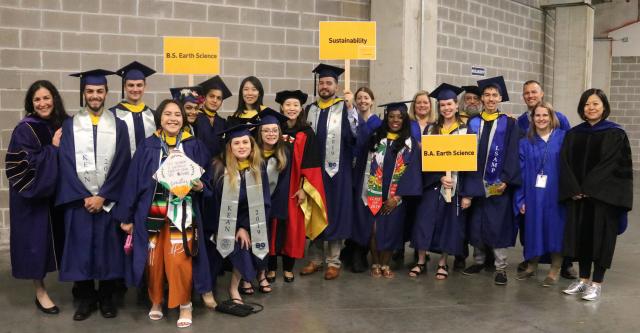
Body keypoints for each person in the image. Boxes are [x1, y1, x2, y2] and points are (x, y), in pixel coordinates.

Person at [114, 99, 212, 327]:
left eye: (177, 114)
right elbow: (133, 182)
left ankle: (184, 303)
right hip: (151, 211)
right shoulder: (148, 145)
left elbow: (207, 181)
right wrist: (126, 217)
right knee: (153, 261)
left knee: (180, 260)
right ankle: (156, 300)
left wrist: (201, 186)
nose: (173, 118)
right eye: (168, 114)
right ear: (160, 117)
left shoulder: (193, 145)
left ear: (183, 118)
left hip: (183, 213)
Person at [57, 69, 131, 320]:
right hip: (80, 202)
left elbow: (122, 163)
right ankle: (86, 298)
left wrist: (104, 196)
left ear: (107, 94)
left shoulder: (118, 125)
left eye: (100, 91)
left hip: (107, 202)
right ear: (83, 93)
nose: (95, 95)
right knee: (82, 249)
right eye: (90, 91)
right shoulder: (70, 125)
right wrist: (84, 196)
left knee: (109, 250)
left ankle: (107, 298)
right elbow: (65, 162)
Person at [560, 89, 633, 301]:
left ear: (604, 107)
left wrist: (588, 188)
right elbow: (565, 164)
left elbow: (612, 166)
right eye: (587, 104)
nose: (591, 108)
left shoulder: (615, 134)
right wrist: (573, 188)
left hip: (603, 199)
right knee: (582, 239)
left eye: (595, 104)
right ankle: (582, 280)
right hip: (578, 198)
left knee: (601, 241)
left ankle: (597, 283)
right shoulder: (574, 134)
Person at [5, 80, 69, 314]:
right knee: (36, 244)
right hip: (35, 199)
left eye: (46, 97)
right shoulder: (26, 129)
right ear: (31, 104)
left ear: (55, 98)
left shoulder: (64, 123)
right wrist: (51, 149)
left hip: (59, 196)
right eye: (37, 99)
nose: (43, 103)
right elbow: (20, 166)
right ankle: (40, 291)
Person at [299, 63, 363, 280]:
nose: (325, 86)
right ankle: (315, 260)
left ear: (336, 86)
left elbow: (356, 134)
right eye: (322, 83)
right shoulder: (310, 109)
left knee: (335, 213)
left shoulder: (344, 107)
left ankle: (333, 261)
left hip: (338, 171)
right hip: (315, 172)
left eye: (329, 83)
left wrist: (352, 107)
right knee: (315, 210)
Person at [461, 76, 521, 285]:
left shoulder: (509, 123)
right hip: (476, 182)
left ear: (500, 98)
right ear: (481, 99)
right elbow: (467, 155)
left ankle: (500, 267)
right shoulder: (473, 121)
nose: (491, 98)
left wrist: (505, 178)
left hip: (498, 184)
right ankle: (478, 260)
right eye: (487, 95)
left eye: (494, 95)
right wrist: (467, 187)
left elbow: (512, 153)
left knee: (497, 225)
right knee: (477, 223)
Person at [353, 101, 422, 278]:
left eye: (399, 117)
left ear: (405, 119)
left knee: (391, 230)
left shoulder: (410, 143)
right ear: (386, 117)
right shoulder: (376, 137)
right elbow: (362, 164)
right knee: (374, 229)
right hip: (372, 191)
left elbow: (412, 172)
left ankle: (386, 264)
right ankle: (375, 262)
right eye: (391, 116)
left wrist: (397, 197)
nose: (395, 120)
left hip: (395, 195)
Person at [410, 83, 471, 279]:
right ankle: (420, 261)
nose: (446, 108)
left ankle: (443, 263)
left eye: (449, 104)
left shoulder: (465, 130)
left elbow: (470, 164)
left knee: (448, 223)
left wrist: (466, 192)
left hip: (454, 186)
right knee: (423, 221)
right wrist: (439, 177)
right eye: (442, 105)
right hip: (432, 184)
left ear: (456, 105)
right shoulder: (430, 130)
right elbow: (424, 162)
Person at [516, 80, 575, 278]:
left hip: (556, 192)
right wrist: (520, 199)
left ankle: (555, 269)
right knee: (533, 229)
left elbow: (570, 167)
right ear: (532, 119)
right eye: (537, 116)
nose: (541, 118)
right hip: (534, 193)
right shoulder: (525, 142)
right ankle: (532, 265)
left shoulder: (564, 138)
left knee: (555, 230)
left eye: (545, 115)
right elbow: (521, 173)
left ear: (551, 117)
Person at [209, 124, 271, 304]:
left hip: (253, 220)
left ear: (252, 145)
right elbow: (217, 204)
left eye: (245, 142)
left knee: (251, 239)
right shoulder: (220, 168)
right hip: (224, 222)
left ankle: (243, 281)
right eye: (236, 143)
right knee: (240, 245)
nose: (242, 146)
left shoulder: (258, 168)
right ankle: (233, 287)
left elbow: (265, 200)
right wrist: (237, 228)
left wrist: (246, 227)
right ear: (229, 147)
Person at [272, 89, 328, 283]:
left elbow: (312, 163)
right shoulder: (273, 128)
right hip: (273, 187)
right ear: (281, 107)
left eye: (295, 105)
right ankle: (271, 268)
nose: (291, 108)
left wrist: (304, 188)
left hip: (294, 187)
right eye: (288, 105)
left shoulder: (306, 133)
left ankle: (288, 268)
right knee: (272, 226)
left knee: (292, 228)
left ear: (301, 108)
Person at [343, 86, 382, 273]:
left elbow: (361, 138)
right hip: (351, 171)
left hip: (369, 172)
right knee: (351, 210)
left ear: (372, 101)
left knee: (364, 212)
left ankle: (360, 250)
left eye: (366, 97)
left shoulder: (377, 123)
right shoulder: (351, 120)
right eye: (359, 98)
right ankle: (350, 249)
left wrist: (351, 111)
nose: (362, 101)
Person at [254, 108, 291, 291]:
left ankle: (262, 274)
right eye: (266, 130)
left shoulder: (284, 153)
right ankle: (246, 276)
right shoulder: (252, 151)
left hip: (272, 203)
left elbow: (284, 183)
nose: (271, 134)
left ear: (279, 132)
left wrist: (275, 205)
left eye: (274, 130)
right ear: (260, 133)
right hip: (252, 203)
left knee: (266, 239)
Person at [110, 61, 157, 156]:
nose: (135, 89)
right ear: (125, 87)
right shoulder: (112, 115)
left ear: (145, 87)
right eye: (131, 85)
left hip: (148, 168)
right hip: (124, 169)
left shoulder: (154, 115)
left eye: (139, 85)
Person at [195, 75, 231, 158]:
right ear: (204, 98)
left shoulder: (223, 122)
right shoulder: (195, 119)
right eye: (211, 96)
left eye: (219, 98)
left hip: (219, 167)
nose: (215, 100)